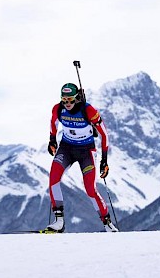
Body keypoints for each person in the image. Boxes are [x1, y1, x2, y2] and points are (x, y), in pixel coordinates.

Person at [45, 83, 118, 232]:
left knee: (90, 189)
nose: (68, 104)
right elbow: (53, 123)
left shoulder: (88, 110)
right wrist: (52, 140)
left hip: (86, 151)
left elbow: (104, 134)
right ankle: (59, 222)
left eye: (70, 100)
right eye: (64, 100)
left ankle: (107, 223)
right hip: (66, 148)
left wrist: (104, 161)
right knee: (53, 179)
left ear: (77, 97)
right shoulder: (58, 109)